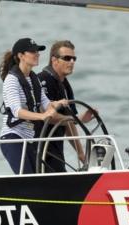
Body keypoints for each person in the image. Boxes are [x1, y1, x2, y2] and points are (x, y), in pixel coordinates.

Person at [0, 38, 67, 174]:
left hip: (30, 138)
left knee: (40, 176)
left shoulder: (33, 78)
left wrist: (57, 104)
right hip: (13, 138)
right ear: (20, 56)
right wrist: (42, 116)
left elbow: (46, 104)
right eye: (32, 51)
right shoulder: (11, 80)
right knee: (28, 178)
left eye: (38, 51)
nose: (37, 54)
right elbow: (17, 111)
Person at [37, 40, 94, 172]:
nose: (72, 62)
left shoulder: (65, 84)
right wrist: (78, 119)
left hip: (55, 146)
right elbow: (47, 116)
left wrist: (81, 154)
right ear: (54, 60)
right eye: (67, 58)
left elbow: (69, 121)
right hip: (40, 146)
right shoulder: (44, 79)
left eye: (74, 58)